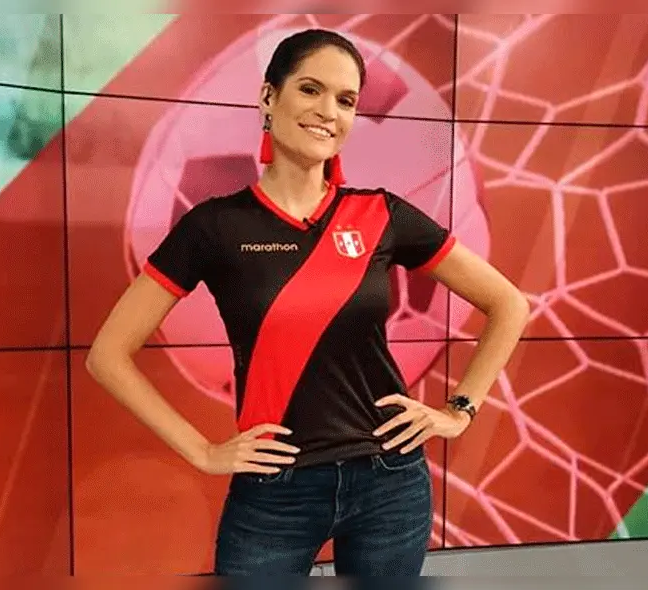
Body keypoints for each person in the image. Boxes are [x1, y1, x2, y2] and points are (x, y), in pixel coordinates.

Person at [86, 28, 530, 577]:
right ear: (269, 98)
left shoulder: (382, 214)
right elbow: (106, 354)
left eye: (345, 100)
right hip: (276, 491)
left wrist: (458, 411)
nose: (328, 111)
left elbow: (508, 304)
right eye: (311, 89)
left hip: (390, 483)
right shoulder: (214, 226)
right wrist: (202, 451)